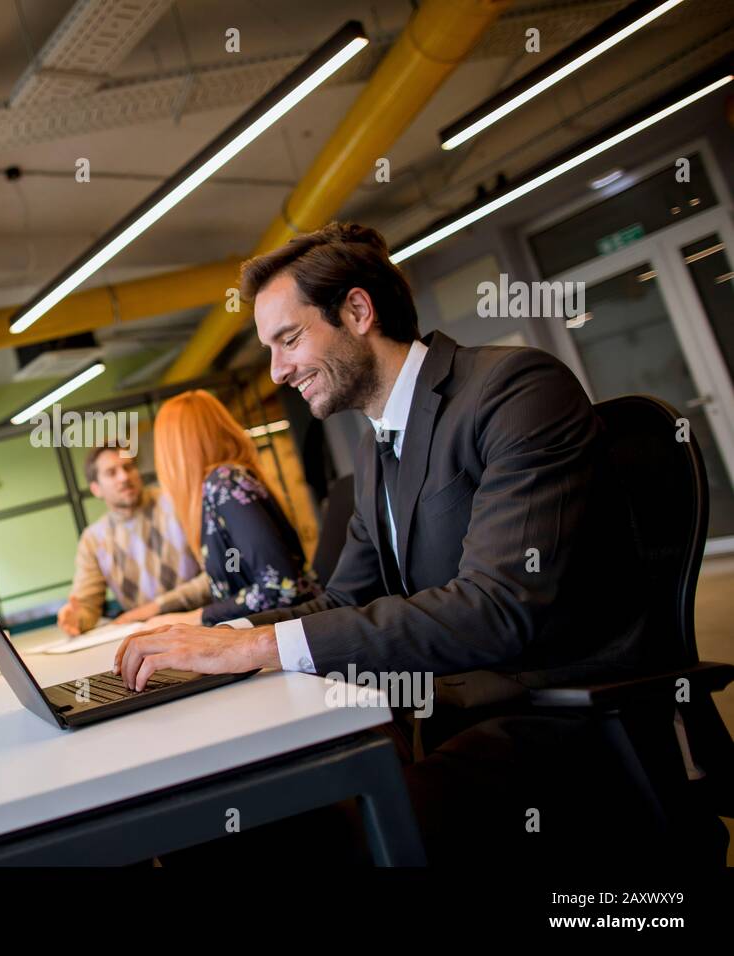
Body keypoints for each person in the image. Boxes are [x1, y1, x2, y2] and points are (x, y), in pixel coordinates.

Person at [113, 222, 655, 860]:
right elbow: (343, 601)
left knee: (293, 841)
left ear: (358, 310)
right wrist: (219, 645)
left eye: (288, 339)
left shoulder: (515, 391)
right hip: (434, 716)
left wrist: (256, 645)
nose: (278, 371)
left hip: (552, 724)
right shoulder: (377, 450)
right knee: (224, 824)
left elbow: (499, 607)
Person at [151, 389, 317, 626]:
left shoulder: (225, 483)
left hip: (287, 636)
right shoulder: (220, 486)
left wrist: (197, 617)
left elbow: (279, 586)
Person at [56, 444, 211, 636]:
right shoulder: (93, 540)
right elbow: (86, 605)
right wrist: (76, 619)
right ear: (96, 489)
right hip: (149, 638)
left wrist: (157, 607)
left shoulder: (177, 504)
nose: (124, 477)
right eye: (111, 473)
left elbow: (215, 577)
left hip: (204, 624)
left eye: (128, 467)